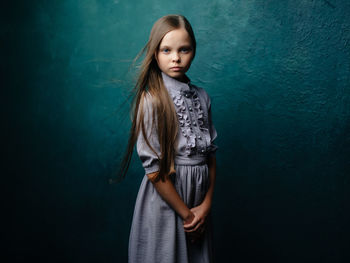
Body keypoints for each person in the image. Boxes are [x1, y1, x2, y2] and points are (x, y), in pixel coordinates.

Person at [116, 14, 218, 263]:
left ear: (193, 50)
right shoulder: (152, 100)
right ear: (155, 53)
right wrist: (187, 215)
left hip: (198, 205)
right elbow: (154, 171)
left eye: (184, 49)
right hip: (169, 203)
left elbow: (211, 156)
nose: (176, 58)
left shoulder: (202, 97)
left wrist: (205, 206)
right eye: (166, 50)